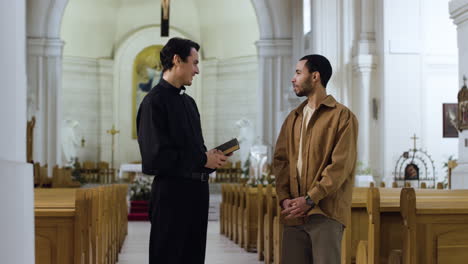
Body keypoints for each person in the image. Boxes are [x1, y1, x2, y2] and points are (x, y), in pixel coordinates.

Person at [136, 37, 229, 264]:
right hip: (171, 195)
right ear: (177, 60)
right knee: (169, 256)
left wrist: (211, 159)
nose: (197, 70)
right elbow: (154, 158)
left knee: (193, 257)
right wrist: (201, 158)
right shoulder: (153, 102)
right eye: (194, 62)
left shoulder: (189, 103)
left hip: (197, 192)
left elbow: (196, 151)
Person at [273, 54, 358, 264]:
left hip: (325, 212)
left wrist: (310, 199)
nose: (293, 78)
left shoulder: (343, 117)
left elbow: (340, 166)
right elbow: (280, 162)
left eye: (298, 72)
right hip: (294, 213)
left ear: (315, 76)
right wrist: (285, 199)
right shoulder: (293, 118)